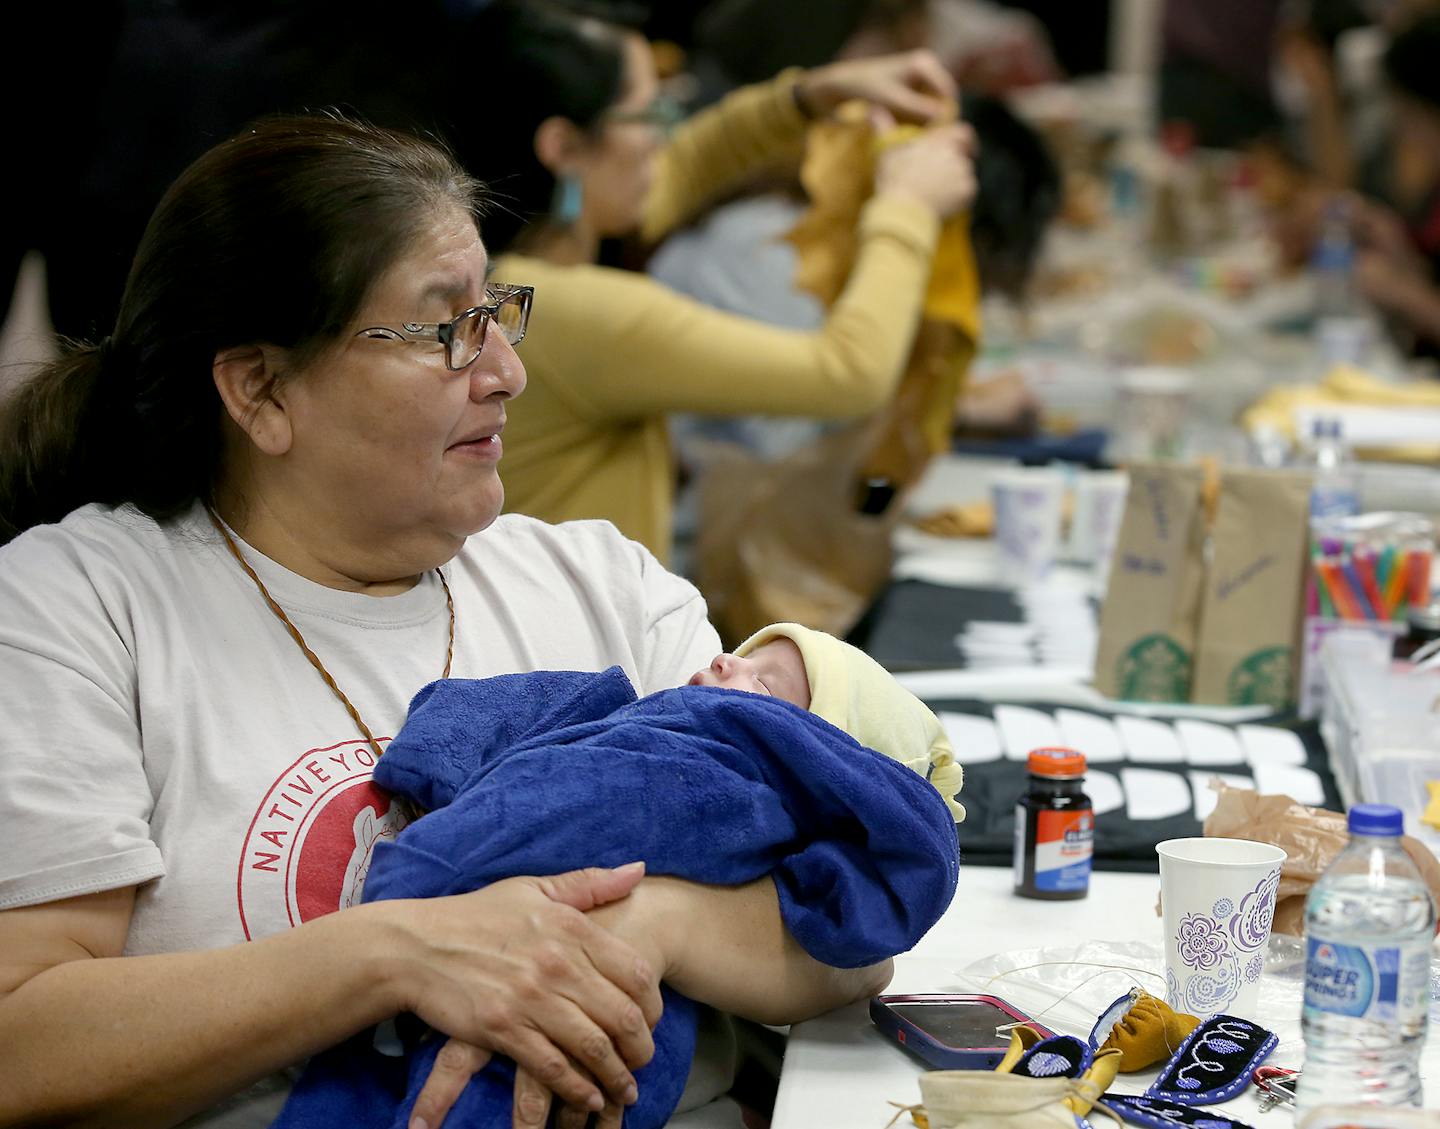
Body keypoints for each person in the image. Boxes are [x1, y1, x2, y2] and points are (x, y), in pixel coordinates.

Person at [0, 114, 896, 1129]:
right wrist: (400, 952)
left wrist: (654, 928)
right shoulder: (80, 608)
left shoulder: (599, 582)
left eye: (497, 311)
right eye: (445, 330)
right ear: (260, 389)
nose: (506, 370)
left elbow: (863, 923)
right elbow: (22, 1043)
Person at [276, 622, 965, 1127]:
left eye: (769, 681)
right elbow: (469, 719)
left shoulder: (730, 762)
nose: (724, 657)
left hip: (612, 1014)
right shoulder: (622, 713)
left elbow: (867, 956)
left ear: (819, 755)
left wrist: (657, 922)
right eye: (741, 654)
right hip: (391, 999)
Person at [459, 0, 977, 562]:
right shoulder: (575, 311)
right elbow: (848, 373)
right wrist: (907, 207)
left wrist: (809, 96)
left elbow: (691, 162)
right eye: (648, 114)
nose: (665, 136)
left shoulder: (511, 264)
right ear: (563, 147)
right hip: (581, 645)